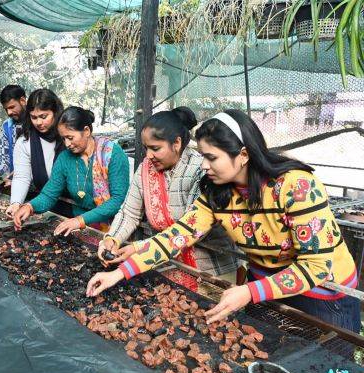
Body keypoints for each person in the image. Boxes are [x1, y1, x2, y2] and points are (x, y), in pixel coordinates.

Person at [86, 109, 360, 333]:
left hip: (323, 296)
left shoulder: (296, 186)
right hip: (262, 288)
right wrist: (119, 273)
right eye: (202, 155)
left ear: (243, 155)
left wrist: (250, 292)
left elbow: (317, 267)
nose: (203, 165)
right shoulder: (218, 193)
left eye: (211, 157)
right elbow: (175, 237)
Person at [99, 107, 237, 285]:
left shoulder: (201, 170)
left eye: (155, 148)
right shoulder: (145, 169)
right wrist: (113, 238)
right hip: (165, 264)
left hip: (210, 272)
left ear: (177, 143)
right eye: (146, 148)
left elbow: (189, 230)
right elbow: (129, 213)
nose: (149, 155)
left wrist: (138, 248)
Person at [13, 106, 130, 236]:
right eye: (63, 138)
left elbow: (118, 200)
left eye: (70, 137)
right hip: (80, 228)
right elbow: (49, 194)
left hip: (113, 230)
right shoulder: (65, 158)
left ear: (86, 131)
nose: (67, 144)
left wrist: (80, 220)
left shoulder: (112, 154)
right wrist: (29, 207)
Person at [5, 88, 67, 218]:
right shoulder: (24, 141)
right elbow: (22, 176)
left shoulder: (69, 138)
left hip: (76, 206)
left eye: (43, 117)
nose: (38, 122)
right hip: (44, 205)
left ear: (55, 113)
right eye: (34, 117)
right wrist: (16, 202)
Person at [0, 85, 27, 191]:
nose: (9, 112)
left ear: (23, 100)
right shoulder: (6, 126)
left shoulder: (36, 123)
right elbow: (4, 158)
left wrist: (18, 179)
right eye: (6, 109)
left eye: (12, 107)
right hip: (14, 186)